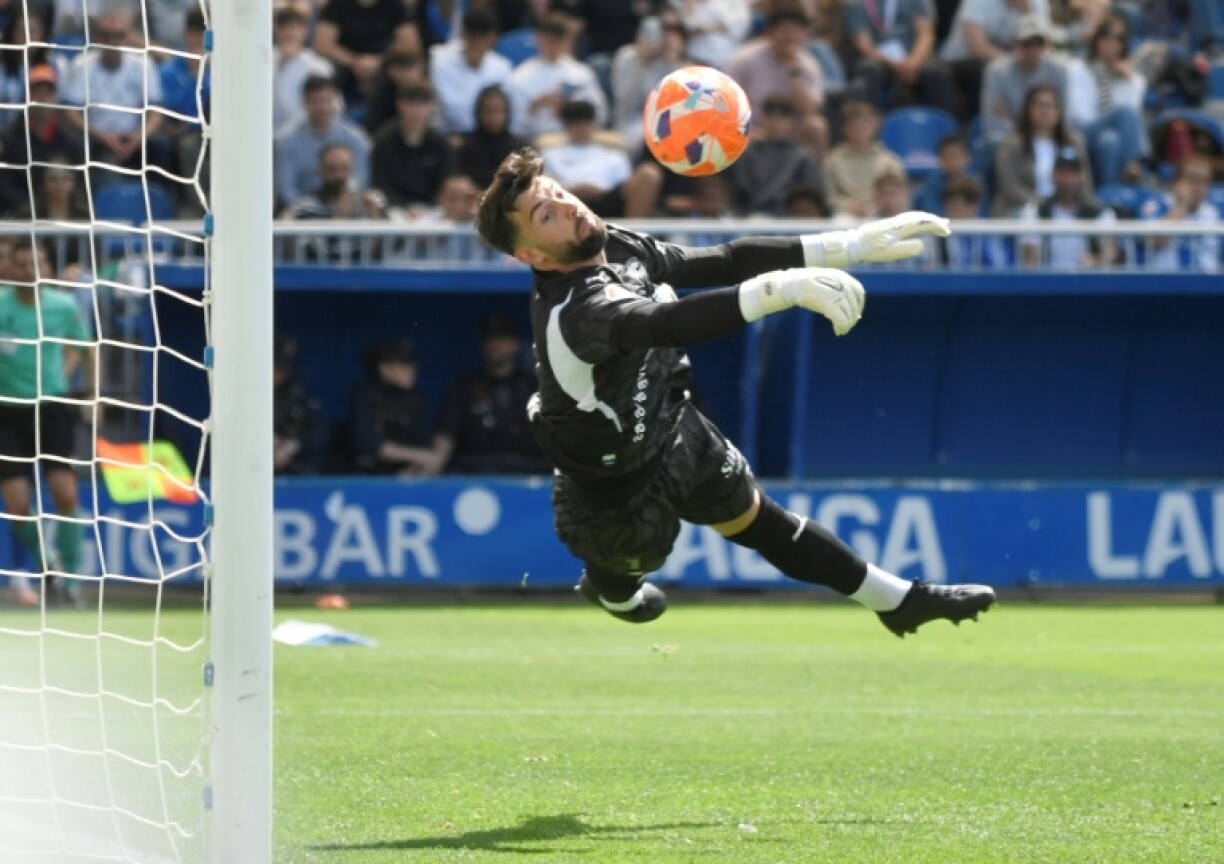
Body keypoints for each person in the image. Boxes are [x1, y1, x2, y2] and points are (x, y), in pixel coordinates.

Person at [471, 147, 995, 634]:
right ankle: (609, 589)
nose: (567, 208)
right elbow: (668, 322)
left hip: (672, 425)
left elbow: (720, 261)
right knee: (632, 573)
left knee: (762, 520)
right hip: (612, 490)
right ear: (532, 256)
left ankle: (900, 602)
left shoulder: (612, 241)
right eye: (546, 215)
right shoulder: (574, 311)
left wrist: (850, 244)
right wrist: (782, 289)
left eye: (558, 193)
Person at [0, 238, 93, 606]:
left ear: (48, 269)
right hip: (7, 411)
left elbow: (86, 347)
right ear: (11, 270)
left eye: (36, 264)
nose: (29, 271)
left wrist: (94, 394)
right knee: (18, 502)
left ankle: (70, 579)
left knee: (65, 492)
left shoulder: (63, 305)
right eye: (22, 265)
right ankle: (47, 564)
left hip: (52, 407)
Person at [430, 314, 551, 474]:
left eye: (502, 339)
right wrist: (433, 463)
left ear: (516, 344)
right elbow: (445, 438)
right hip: (476, 473)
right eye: (490, 339)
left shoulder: (535, 387)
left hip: (530, 474)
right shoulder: (465, 388)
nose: (495, 345)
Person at [726, 6, 827, 159]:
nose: (790, 37)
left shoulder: (809, 65)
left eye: (796, 31)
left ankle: (816, 182)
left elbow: (810, 111)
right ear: (770, 33)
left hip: (790, 131)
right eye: (784, 30)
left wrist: (794, 73)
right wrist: (749, 130)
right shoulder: (745, 59)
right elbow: (725, 102)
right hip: (749, 128)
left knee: (816, 127)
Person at [538, 99, 662, 218]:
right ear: (566, 126)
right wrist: (570, 190)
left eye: (586, 122)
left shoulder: (613, 155)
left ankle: (634, 233)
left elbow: (625, 187)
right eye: (576, 123)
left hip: (607, 199)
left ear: (594, 125)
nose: (581, 127)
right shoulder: (550, 154)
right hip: (566, 199)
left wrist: (598, 191)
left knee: (649, 173)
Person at [1065, 14, 1149, 187]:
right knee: (1123, 113)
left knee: (1109, 141)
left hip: (1109, 135)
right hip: (1082, 132)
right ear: (1096, 40)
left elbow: (1132, 124)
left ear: (1123, 45)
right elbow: (1080, 115)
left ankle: (1109, 195)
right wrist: (1110, 119)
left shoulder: (1134, 79)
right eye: (1106, 36)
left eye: (1118, 38)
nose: (1111, 43)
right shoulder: (1077, 70)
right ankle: (1135, 164)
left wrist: (1127, 81)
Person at [991, 84, 1091, 217]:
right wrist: (1045, 206)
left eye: (1051, 105)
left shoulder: (1074, 143)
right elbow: (1010, 187)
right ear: (1028, 110)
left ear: (1059, 111)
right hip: (1022, 208)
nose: (1045, 111)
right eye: (1040, 105)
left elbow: (1085, 183)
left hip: (1067, 208)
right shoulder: (1011, 144)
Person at [844, 0, 957, 115]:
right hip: (878, 59)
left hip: (915, 56)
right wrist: (893, 64)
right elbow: (864, 44)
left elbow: (926, 33)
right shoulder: (857, 3)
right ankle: (871, 126)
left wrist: (913, 62)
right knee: (869, 70)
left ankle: (946, 125)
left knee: (937, 72)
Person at [274, 74, 371, 209]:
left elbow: (360, 182)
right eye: (315, 101)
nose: (321, 107)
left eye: (325, 100)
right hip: (302, 219)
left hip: (349, 213)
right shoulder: (287, 141)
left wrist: (343, 207)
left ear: (335, 101)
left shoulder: (356, 139)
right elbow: (286, 193)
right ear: (303, 102)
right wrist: (317, 211)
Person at [507, 14, 609, 139]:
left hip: (578, 138)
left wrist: (576, 107)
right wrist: (536, 105)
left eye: (558, 40)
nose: (553, 46)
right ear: (538, 39)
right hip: (538, 141)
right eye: (549, 40)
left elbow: (601, 114)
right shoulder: (520, 77)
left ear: (566, 40)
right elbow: (515, 125)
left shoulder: (582, 73)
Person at [347, 340, 438, 475]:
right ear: (384, 368)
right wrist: (419, 456)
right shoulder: (364, 395)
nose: (412, 369)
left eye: (412, 364)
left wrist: (417, 465)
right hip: (369, 475)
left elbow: (425, 442)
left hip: (409, 474)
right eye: (404, 365)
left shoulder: (417, 400)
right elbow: (369, 443)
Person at [726, 93, 823, 217]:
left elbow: (810, 195)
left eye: (782, 118)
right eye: (771, 117)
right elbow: (739, 191)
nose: (776, 123)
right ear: (762, 119)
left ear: (791, 122)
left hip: (790, 219)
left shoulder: (803, 157)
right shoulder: (747, 154)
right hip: (749, 217)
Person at [1018, 147, 1117, 268]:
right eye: (1062, 172)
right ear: (1052, 175)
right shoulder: (1035, 212)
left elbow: (1110, 254)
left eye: (1072, 173)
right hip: (1047, 283)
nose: (1067, 180)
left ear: (1082, 177)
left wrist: (1095, 260)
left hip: (1086, 283)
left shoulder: (1100, 213)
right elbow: (1031, 260)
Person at [370, 81, 455, 212]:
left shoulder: (440, 143)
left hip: (434, 211)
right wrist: (404, 207)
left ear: (430, 106)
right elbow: (381, 184)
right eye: (410, 104)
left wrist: (431, 207)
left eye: (421, 104)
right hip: (393, 211)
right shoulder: (384, 141)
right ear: (399, 104)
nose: (415, 111)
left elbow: (446, 181)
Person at [428, 7, 514, 135]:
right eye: (473, 37)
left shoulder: (502, 67)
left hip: (488, 135)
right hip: (449, 134)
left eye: (483, 38)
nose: (477, 43)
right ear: (464, 35)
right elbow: (452, 112)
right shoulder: (440, 60)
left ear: (493, 39)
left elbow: (505, 111)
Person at [822, 100, 906, 218]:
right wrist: (848, 206)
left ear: (873, 126)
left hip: (881, 211)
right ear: (844, 129)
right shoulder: (832, 161)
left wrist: (879, 204)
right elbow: (829, 196)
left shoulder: (890, 162)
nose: (859, 133)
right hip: (846, 212)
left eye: (863, 127)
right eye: (854, 128)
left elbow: (898, 195)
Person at [1147, 154, 1220, 272]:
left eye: (1203, 181)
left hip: (1207, 284)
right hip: (1164, 283)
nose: (1197, 187)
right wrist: (1181, 206)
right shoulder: (1158, 204)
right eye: (1191, 179)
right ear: (1175, 182)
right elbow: (1155, 241)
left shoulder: (1212, 213)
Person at [274, 5, 335, 136]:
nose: (289, 33)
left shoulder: (319, 66)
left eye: (294, 28)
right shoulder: (264, 62)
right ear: (276, 31)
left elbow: (335, 105)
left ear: (305, 32)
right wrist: (282, 63)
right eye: (284, 28)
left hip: (304, 135)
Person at [455, 84, 530, 190]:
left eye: (497, 111)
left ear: (507, 113)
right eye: (487, 111)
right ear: (478, 113)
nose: (493, 117)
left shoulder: (520, 147)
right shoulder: (466, 148)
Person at [273, 335, 328, 476]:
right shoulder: (250, 393)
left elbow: (320, 432)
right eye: (276, 369)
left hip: (297, 466)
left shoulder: (299, 391)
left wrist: (293, 445)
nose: (280, 374)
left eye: (283, 369)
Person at [913, 134, 978, 215]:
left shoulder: (977, 184)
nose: (952, 161)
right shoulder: (930, 186)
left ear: (968, 157)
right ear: (939, 159)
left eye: (956, 156)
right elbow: (932, 214)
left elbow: (983, 215)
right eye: (947, 157)